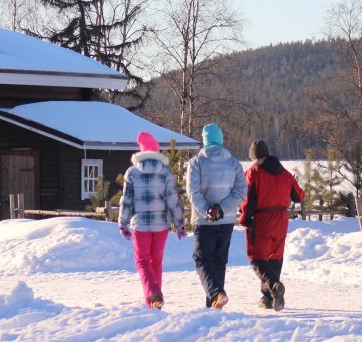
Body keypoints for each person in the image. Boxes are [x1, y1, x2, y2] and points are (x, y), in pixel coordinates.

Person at [118, 131, 188, 309]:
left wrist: (122, 222)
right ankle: (155, 300)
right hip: (161, 224)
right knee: (155, 261)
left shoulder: (132, 172)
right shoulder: (165, 171)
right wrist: (179, 223)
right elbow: (173, 199)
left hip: (140, 223)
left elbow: (126, 199)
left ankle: (153, 294)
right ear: (156, 151)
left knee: (142, 261)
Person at [239, 139, 305, 312]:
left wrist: (245, 218)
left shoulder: (253, 172)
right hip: (282, 219)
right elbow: (299, 196)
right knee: (275, 257)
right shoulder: (285, 173)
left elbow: (248, 198)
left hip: (262, 218)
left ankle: (274, 286)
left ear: (254, 156)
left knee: (257, 258)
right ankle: (268, 298)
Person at [186, 123, 246, 309]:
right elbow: (240, 192)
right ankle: (214, 305)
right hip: (226, 220)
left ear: (204, 141)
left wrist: (208, 210)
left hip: (204, 221)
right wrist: (222, 209)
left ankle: (215, 294)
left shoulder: (196, 162)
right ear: (220, 139)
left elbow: (193, 192)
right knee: (219, 261)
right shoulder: (234, 164)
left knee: (202, 259)